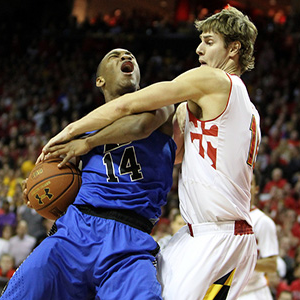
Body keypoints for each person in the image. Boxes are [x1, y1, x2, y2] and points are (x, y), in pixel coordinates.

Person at [42, 6, 260, 299]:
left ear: (233, 49)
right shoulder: (243, 107)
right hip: (208, 236)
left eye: (209, 42)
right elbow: (179, 156)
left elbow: (128, 105)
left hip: (217, 239)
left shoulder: (216, 80)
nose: (198, 50)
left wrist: (74, 134)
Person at [0, 48, 176, 299]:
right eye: (114, 56)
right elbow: (51, 174)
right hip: (76, 229)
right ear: (100, 80)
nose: (126, 57)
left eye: (131, 56)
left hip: (130, 239)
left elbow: (139, 126)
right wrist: (36, 191)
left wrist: (88, 143)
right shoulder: (79, 133)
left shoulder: (162, 104)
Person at [238, 170, 279, 300]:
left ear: (256, 189)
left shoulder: (263, 221)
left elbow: (272, 264)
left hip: (254, 293)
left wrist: (242, 262)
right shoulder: (225, 216)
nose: (245, 185)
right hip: (231, 293)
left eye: (249, 183)